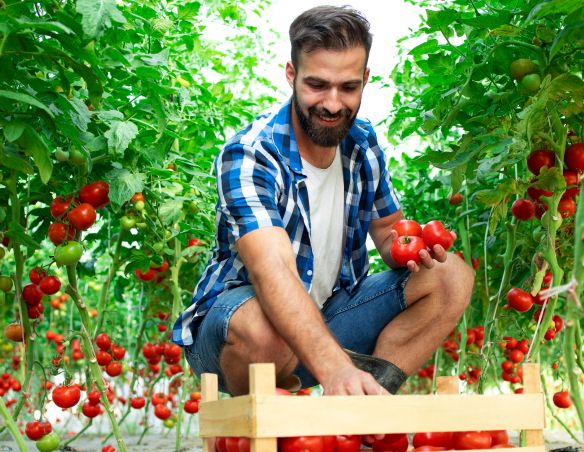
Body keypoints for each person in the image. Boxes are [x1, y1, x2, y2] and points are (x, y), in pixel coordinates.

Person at [172, 5, 473, 397]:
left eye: (348, 87)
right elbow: (272, 270)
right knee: (266, 326)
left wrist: (414, 251)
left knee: (452, 276)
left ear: (365, 79)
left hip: (329, 319)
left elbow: (387, 229)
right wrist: (336, 370)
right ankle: (264, 423)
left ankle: (367, 410)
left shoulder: (362, 144)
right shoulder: (251, 154)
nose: (333, 104)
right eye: (317, 85)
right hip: (236, 331)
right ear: (291, 75)